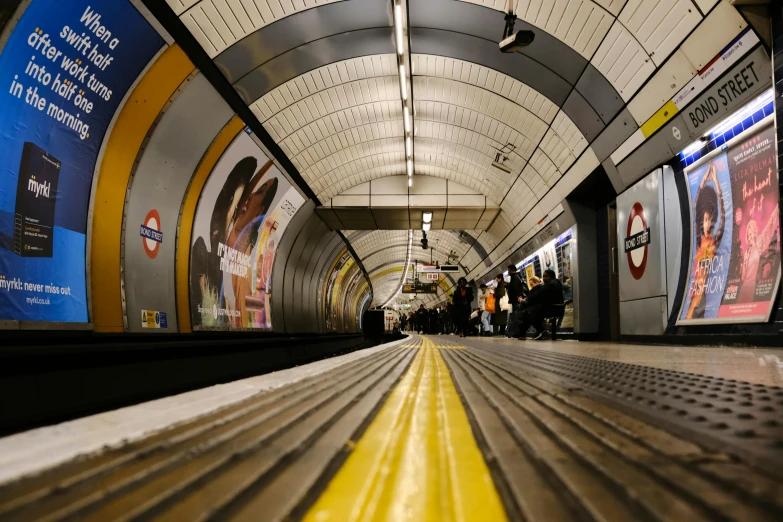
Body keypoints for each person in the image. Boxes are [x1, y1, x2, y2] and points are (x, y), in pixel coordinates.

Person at [685, 162, 725, 319]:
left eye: (710, 220)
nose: (707, 224)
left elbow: (723, 216)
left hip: (703, 296)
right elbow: (696, 211)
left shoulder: (714, 242)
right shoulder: (699, 241)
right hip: (694, 294)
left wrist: (716, 182)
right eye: (705, 220)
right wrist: (702, 183)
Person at [518, 269, 564, 340]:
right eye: (543, 277)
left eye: (546, 276)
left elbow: (539, 294)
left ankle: (540, 330)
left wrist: (528, 300)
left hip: (554, 308)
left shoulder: (552, 284)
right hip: (551, 307)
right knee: (528, 311)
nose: (544, 278)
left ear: (552, 276)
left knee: (530, 311)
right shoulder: (550, 284)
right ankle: (524, 333)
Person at [506, 265, 528, 337]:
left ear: (512, 270)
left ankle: (518, 332)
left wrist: (518, 297)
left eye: (508, 270)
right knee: (516, 315)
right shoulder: (516, 277)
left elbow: (516, 288)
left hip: (516, 300)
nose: (508, 272)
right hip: (516, 299)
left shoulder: (515, 277)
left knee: (516, 316)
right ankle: (517, 332)